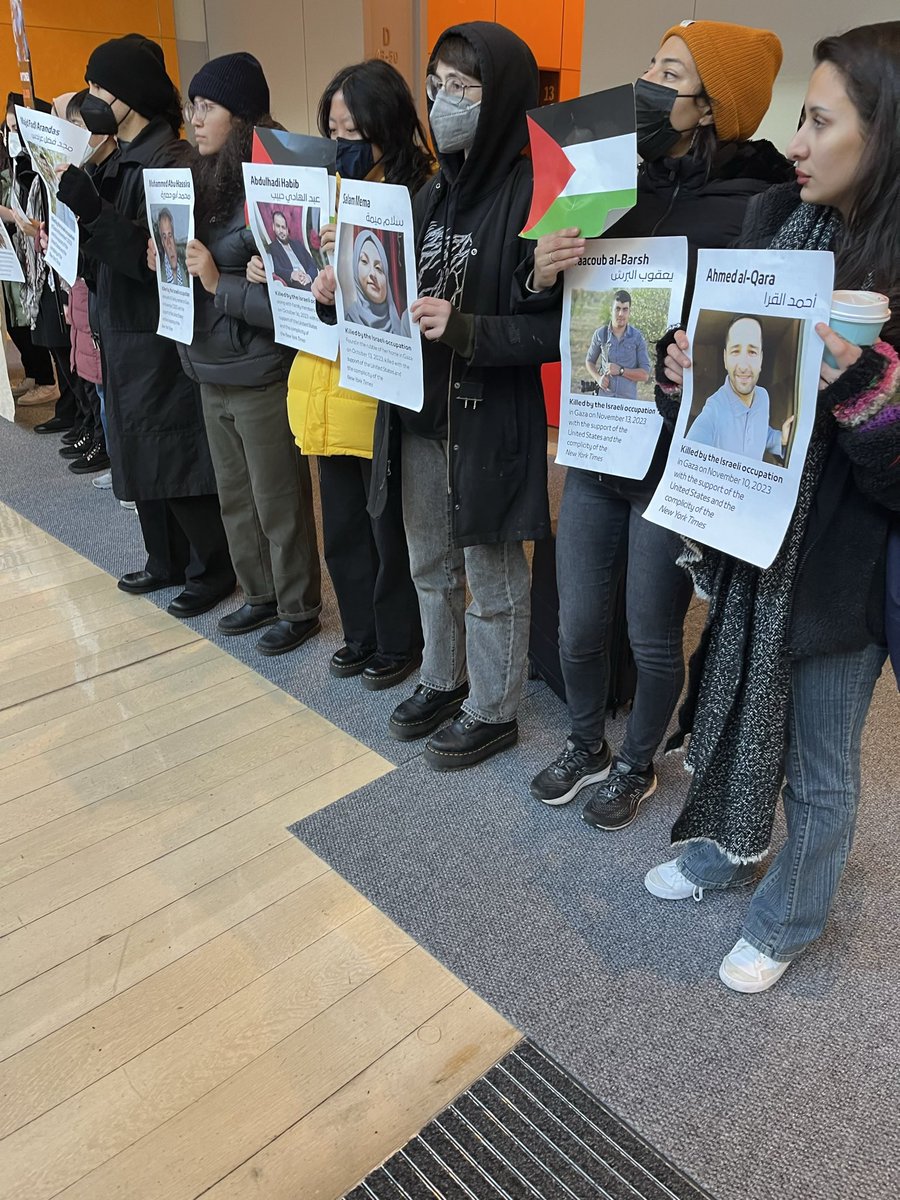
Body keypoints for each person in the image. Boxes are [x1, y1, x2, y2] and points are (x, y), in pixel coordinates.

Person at [645, 21, 900, 993]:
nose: (796, 143)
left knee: (821, 763)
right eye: (801, 117)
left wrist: (864, 391)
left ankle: (791, 918)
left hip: (843, 567)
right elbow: (721, 391)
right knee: (730, 705)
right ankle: (727, 848)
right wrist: (681, 372)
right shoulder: (776, 225)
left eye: (821, 122)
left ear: (885, 134)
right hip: (752, 539)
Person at [527, 21, 791, 820]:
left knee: (649, 632)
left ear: (712, 106)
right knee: (577, 624)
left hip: (675, 458)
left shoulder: (758, 205)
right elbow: (548, 299)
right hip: (597, 439)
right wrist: (540, 268)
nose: (647, 80)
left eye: (670, 72)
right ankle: (585, 741)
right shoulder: (612, 183)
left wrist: (699, 360)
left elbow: (766, 335)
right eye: (650, 62)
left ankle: (636, 762)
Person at [359, 23, 561, 766]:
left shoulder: (533, 195)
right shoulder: (429, 194)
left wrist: (467, 327)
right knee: (429, 563)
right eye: (437, 85)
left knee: (492, 573)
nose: (443, 101)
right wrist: (341, 289)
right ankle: (443, 679)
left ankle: (494, 708)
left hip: (488, 418)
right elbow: (389, 293)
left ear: (500, 97)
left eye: (463, 88)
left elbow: (552, 333)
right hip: (419, 411)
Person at [57, 33, 235, 616]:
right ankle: (165, 560)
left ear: (129, 94)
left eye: (99, 87)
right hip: (120, 324)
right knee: (139, 449)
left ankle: (211, 568)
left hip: (158, 329)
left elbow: (154, 256)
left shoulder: (170, 160)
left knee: (174, 451)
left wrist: (93, 210)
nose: (90, 98)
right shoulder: (114, 158)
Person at [280, 58, 431, 689]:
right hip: (326, 382)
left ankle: (399, 640)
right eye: (333, 132)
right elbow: (323, 299)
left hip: (381, 391)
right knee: (341, 524)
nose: (340, 144)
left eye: (352, 133)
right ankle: (360, 632)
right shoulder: (327, 193)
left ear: (386, 128)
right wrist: (316, 285)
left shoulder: (419, 196)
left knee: (389, 528)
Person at [167, 51, 322, 656]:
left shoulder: (272, 186)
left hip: (260, 370)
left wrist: (215, 280)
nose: (195, 118)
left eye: (207, 106)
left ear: (241, 116)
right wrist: (165, 261)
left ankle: (298, 607)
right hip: (208, 365)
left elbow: (292, 304)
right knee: (234, 497)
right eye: (192, 106)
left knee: (278, 499)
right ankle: (259, 594)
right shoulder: (199, 182)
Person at [0, 97, 57, 413]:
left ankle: (46, 379)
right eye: (7, 129)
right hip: (16, 250)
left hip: (39, 256)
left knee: (36, 321)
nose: (10, 136)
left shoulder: (36, 169)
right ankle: (35, 374)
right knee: (16, 319)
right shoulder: (15, 164)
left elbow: (33, 215)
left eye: (15, 129)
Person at [687, 314, 793, 460]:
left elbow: (760, 434)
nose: (743, 366)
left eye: (752, 352)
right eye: (735, 352)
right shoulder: (714, 408)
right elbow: (689, 457)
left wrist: (781, 439)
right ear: (725, 359)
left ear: (761, 359)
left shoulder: (763, 396)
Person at [585, 290, 650, 398]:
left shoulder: (637, 337)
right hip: (604, 400)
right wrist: (598, 378)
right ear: (611, 309)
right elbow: (589, 361)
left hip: (627, 402)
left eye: (625, 309)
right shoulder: (600, 334)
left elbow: (645, 375)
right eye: (617, 308)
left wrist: (621, 371)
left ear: (630, 311)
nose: (621, 314)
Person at [343, 230, 409, 334]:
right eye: (364, 261)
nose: (372, 274)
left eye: (379, 268)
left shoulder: (403, 327)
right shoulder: (346, 318)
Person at [268, 210, 316, 290]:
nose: (280, 231)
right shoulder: (272, 248)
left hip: (310, 283)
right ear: (273, 227)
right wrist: (292, 275)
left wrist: (309, 277)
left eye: (283, 227)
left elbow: (312, 263)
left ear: (288, 229)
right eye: (278, 226)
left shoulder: (297, 244)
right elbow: (277, 269)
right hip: (293, 286)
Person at [155, 208, 188, 285]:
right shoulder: (159, 274)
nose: (168, 244)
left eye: (170, 235)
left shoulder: (186, 269)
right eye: (164, 237)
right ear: (162, 243)